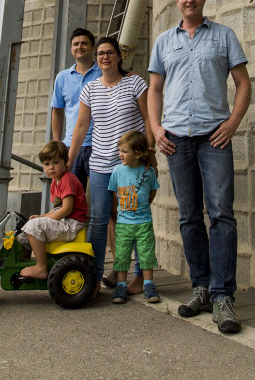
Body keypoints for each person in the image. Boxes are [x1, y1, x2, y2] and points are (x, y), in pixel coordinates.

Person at [148, 0, 251, 334]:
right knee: (189, 216)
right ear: (177, 0)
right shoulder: (163, 41)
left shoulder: (223, 36)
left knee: (221, 213)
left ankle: (223, 296)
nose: (189, 0)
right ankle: (202, 287)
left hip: (214, 137)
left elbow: (243, 84)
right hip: (176, 138)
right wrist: (157, 128)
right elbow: (155, 90)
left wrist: (233, 123)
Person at [69, 35, 150, 294]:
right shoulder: (90, 89)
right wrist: (70, 159)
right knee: (99, 219)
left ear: (119, 56)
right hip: (101, 164)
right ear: (97, 58)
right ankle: (93, 278)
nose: (105, 57)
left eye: (110, 52)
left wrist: (149, 154)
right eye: (101, 53)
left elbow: (149, 118)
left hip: (130, 167)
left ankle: (139, 277)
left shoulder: (135, 82)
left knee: (131, 219)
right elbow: (81, 126)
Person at [19, 140, 88, 280]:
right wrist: (41, 216)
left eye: (56, 163)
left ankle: (41, 267)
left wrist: (43, 220)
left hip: (72, 224)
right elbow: (58, 209)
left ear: (65, 161)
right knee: (25, 230)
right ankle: (22, 263)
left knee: (34, 226)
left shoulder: (67, 180)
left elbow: (67, 209)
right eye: (47, 164)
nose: (51, 167)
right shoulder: (55, 181)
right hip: (64, 220)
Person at [107, 130, 162, 304]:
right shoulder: (117, 172)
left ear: (138, 154)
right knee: (122, 255)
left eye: (125, 151)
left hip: (143, 221)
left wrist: (143, 206)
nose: (120, 154)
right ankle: (121, 285)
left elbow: (152, 192)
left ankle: (148, 284)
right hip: (124, 223)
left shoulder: (148, 172)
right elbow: (115, 195)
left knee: (146, 254)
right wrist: (120, 213)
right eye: (120, 150)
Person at [50, 28, 100, 189]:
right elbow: (57, 110)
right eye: (76, 44)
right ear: (71, 49)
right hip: (71, 146)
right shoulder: (62, 77)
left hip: (99, 144)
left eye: (84, 43)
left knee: (103, 195)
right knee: (70, 197)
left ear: (93, 47)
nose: (80, 47)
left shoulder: (104, 72)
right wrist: (57, 142)